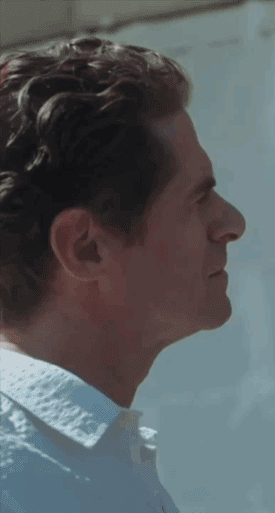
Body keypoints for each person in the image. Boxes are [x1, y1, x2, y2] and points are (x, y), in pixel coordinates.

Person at [0, 37, 245, 512]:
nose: (232, 223)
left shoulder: (70, 458)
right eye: (198, 198)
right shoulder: (21, 472)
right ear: (86, 248)